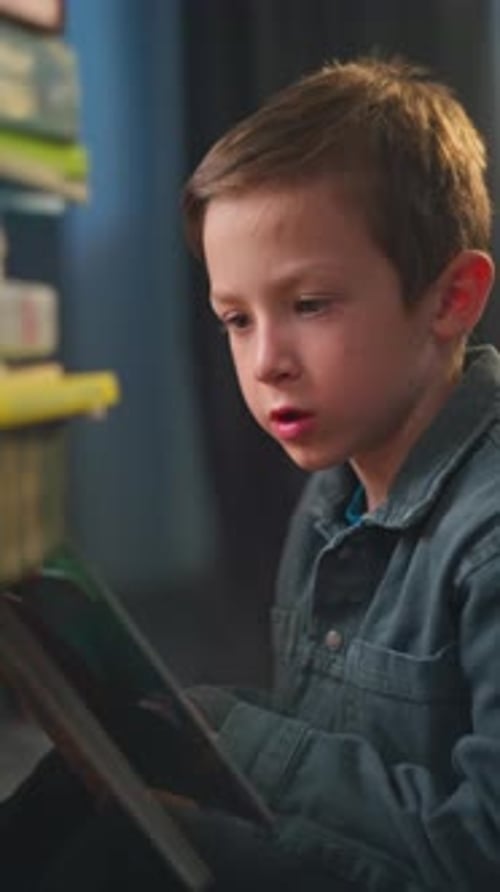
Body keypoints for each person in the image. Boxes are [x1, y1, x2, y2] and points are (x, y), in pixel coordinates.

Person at [2, 55, 500, 890]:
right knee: (96, 793)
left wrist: (230, 736)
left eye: (309, 305)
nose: (266, 361)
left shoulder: (486, 541)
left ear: (451, 298)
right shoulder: (329, 501)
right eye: (235, 318)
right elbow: (335, 766)